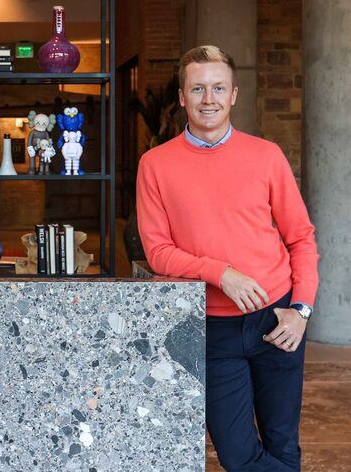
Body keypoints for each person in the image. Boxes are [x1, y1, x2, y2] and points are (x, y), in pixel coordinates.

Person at [136, 45, 319, 472]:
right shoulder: (155, 165)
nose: (208, 99)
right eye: (197, 88)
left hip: (278, 319)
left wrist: (301, 310)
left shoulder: (266, 156)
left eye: (218, 88)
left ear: (234, 94)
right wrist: (221, 273)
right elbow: (157, 252)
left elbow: (302, 239)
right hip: (211, 326)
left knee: (282, 445)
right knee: (237, 456)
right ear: (182, 97)